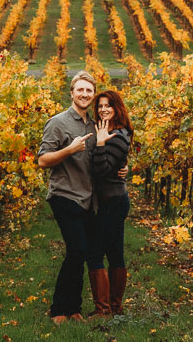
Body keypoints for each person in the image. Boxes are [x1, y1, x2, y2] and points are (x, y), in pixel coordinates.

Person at [38, 71, 97, 325]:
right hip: (64, 194)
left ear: (93, 95)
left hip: (87, 198)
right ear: (72, 92)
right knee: (77, 250)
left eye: (89, 91)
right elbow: (42, 160)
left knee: (80, 254)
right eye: (80, 90)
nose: (84, 94)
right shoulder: (58, 122)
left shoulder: (94, 126)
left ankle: (74, 308)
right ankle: (59, 310)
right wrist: (69, 149)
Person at [86, 90, 133, 317]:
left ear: (117, 109)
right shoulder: (111, 132)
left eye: (108, 106)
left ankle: (103, 309)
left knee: (95, 252)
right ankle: (115, 308)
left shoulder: (117, 136)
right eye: (100, 106)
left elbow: (102, 171)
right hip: (113, 200)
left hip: (113, 202)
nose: (103, 109)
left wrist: (100, 144)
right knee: (115, 253)